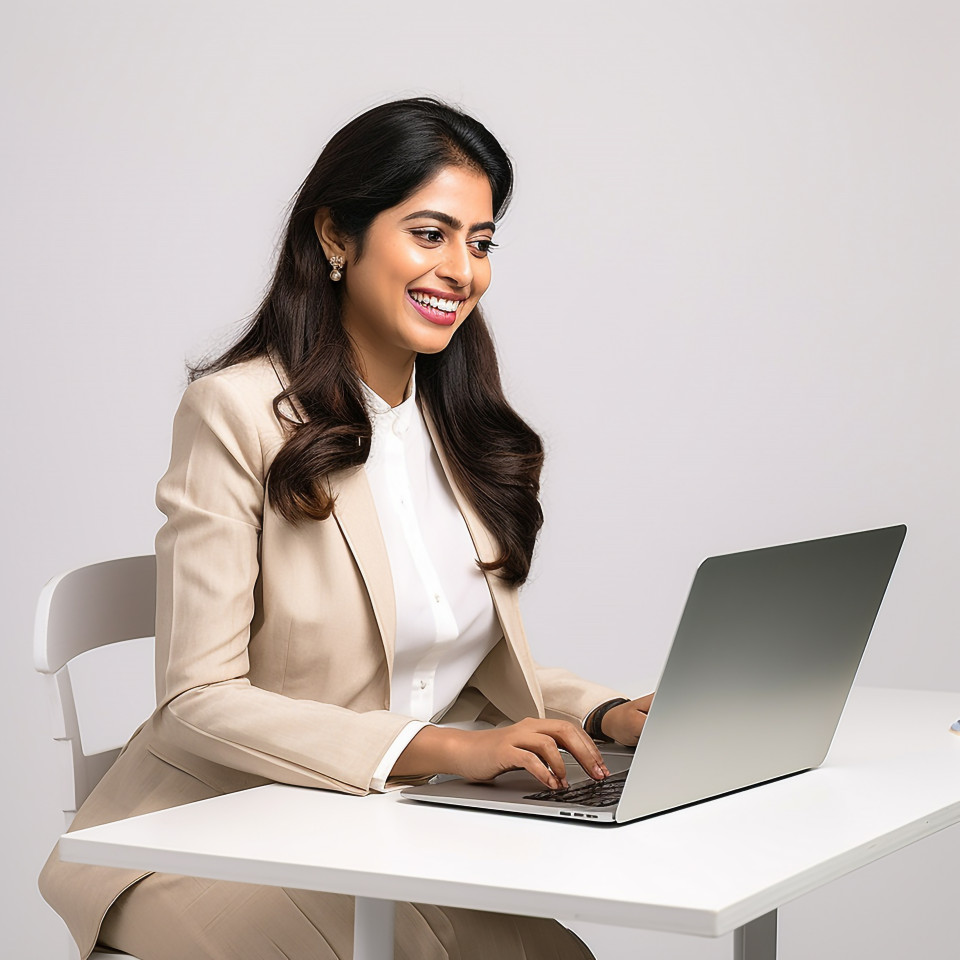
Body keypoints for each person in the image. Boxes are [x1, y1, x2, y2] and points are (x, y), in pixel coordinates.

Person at [39, 96, 653, 960]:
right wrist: (443, 748)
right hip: (207, 831)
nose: (462, 270)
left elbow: (450, 649)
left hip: (379, 826)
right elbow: (195, 700)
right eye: (430, 233)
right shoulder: (237, 412)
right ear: (336, 236)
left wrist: (608, 715)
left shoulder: (460, 431)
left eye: (480, 243)